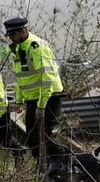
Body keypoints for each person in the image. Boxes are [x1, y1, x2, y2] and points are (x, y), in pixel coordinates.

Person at [4, 17, 66, 160]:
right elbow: (21, 77)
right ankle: (42, 168)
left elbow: (47, 78)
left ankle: (66, 160)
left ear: (23, 31)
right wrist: (19, 100)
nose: (11, 38)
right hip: (34, 98)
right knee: (32, 138)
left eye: (13, 35)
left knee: (44, 136)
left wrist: (41, 107)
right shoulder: (19, 48)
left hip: (49, 96)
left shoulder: (36, 47)